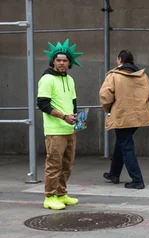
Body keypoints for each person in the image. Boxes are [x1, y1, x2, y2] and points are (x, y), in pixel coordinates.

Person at [100, 50, 149, 190]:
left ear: (119, 60)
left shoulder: (113, 76)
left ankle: (137, 180)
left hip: (121, 114)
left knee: (126, 146)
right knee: (122, 143)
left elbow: (105, 96)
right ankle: (114, 173)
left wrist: (108, 109)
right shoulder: (142, 75)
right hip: (138, 115)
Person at [37, 39, 82, 210]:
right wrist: (64, 117)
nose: (62, 63)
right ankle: (50, 196)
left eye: (64, 60)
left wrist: (75, 117)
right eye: (58, 60)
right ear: (53, 61)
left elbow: (73, 102)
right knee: (54, 164)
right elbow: (43, 104)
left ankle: (62, 193)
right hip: (55, 130)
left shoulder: (70, 79)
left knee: (67, 165)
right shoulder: (47, 79)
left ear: (69, 62)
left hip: (69, 128)